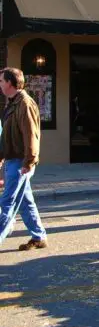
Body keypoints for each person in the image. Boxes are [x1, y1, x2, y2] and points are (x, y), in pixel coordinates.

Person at [0, 67, 47, 250]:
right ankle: (39, 236)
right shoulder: (11, 103)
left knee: (6, 202)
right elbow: (8, 135)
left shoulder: (25, 104)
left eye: (2, 81)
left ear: (10, 83)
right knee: (26, 202)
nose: (0, 85)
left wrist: (29, 162)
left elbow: (31, 135)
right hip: (14, 159)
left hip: (21, 161)